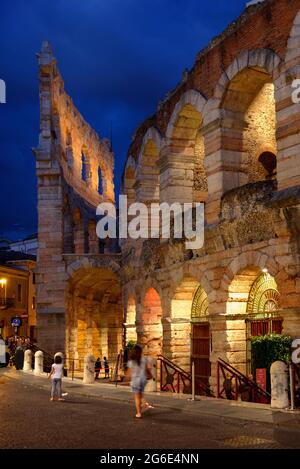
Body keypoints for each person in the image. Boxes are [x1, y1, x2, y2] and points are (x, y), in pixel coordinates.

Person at [126, 344, 154, 418]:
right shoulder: (144, 359)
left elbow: (129, 372)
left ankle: (138, 413)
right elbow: (147, 369)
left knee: (137, 397)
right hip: (143, 380)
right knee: (140, 394)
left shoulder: (131, 361)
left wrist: (127, 378)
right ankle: (145, 404)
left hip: (135, 381)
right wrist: (150, 375)